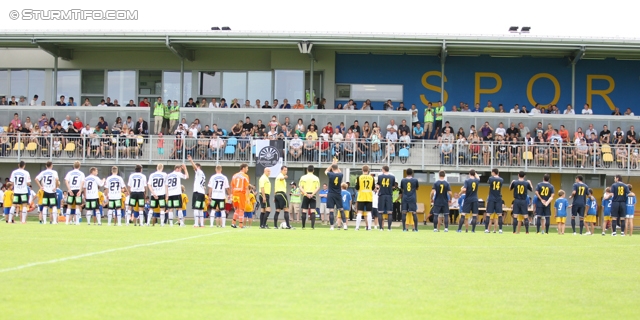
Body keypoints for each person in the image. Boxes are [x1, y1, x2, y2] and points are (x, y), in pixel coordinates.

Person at [186, 155, 206, 228]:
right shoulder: (202, 174)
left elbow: (195, 168)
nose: (193, 168)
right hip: (202, 193)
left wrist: (191, 161)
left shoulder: (199, 172)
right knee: (200, 209)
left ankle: (196, 224)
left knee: (196, 208)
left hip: (197, 192)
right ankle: (202, 224)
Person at [299, 165, 320, 229]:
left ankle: (303, 226)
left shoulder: (303, 177)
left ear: (307, 170)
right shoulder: (316, 178)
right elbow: (317, 187)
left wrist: (306, 194)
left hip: (306, 195)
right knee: (313, 210)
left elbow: (300, 187)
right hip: (313, 195)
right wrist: (312, 194)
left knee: (304, 210)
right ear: (313, 170)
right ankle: (312, 226)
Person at [325, 160, 344, 231]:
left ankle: (332, 226)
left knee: (331, 211)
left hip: (331, 194)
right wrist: (336, 165)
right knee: (341, 209)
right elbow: (339, 171)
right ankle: (345, 225)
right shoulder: (340, 175)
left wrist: (332, 164)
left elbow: (326, 171)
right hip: (338, 194)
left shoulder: (330, 174)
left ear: (332, 169)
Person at [64, 161, 85, 225]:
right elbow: (82, 182)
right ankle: (77, 222)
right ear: (79, 166)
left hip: (71, 190)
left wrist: (69, 189)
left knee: (69, 206)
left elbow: (66, 181)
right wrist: (80, 190)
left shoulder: (70, 173)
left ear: (73, 166)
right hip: (78, 190)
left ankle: (67, 221)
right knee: (77, 206)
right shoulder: (81, 173)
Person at [231, 164, 250, 229]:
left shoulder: (234, 175)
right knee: (241, 209)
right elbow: (247, 187)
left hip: (235, 193)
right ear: (243, 168)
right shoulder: (245, 176)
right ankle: (241, 224)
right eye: (247, 168)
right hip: (241, 193)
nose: (247, 169)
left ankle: (233, 223)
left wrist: (231, 194)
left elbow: (232, 186)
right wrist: (247, 198)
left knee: (237, 209)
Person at [485, 168, 504, 233]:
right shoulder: (501, 179)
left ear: (493, 172)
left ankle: (486, 229)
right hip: (498, 198)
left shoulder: (490, 178)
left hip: (491, 198)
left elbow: (488, 183)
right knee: (500, 214)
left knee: (488, 214)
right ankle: (500, 229)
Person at [377, 165, 396, 231]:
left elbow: (378, 185)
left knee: (380, 212)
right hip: (389, 195)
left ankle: (381, 228)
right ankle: (389, 228)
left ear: (383, 169)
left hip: (382, 195)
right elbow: (393, 186)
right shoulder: (392, 177)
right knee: (389, 212)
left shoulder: (380, 176)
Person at [400, 168, 419, 232]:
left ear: (406, 173)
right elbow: (417, 188)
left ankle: (404, 229)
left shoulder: (403, 180)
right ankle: (416, 229)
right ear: (412, 173)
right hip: (412, 198)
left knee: (404, 212)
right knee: (414, 213)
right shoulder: (415, 180)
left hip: (405, 197)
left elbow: (402, 188)